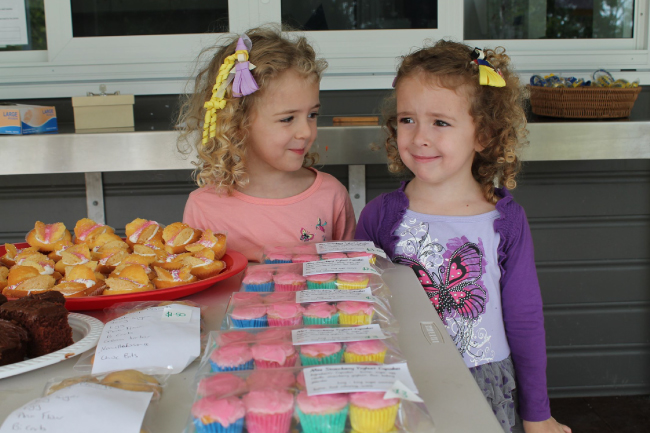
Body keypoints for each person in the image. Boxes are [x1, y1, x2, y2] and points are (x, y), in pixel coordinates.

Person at [355, 40, 571, 433]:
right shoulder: (379, 217)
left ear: (483, 135)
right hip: (405, 384)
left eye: (440, 122)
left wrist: (537, 414)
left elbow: (524, 320)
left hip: (484, 386)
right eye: (407, 119)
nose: (419, 136)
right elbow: (358, 307)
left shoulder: (505, 221)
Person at [179, 27, 356, 261]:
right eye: (287, 119)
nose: (306, 131)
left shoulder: (331, 196)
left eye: (312, 115)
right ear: (237, 122)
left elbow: (351, 279)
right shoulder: (204, 208)